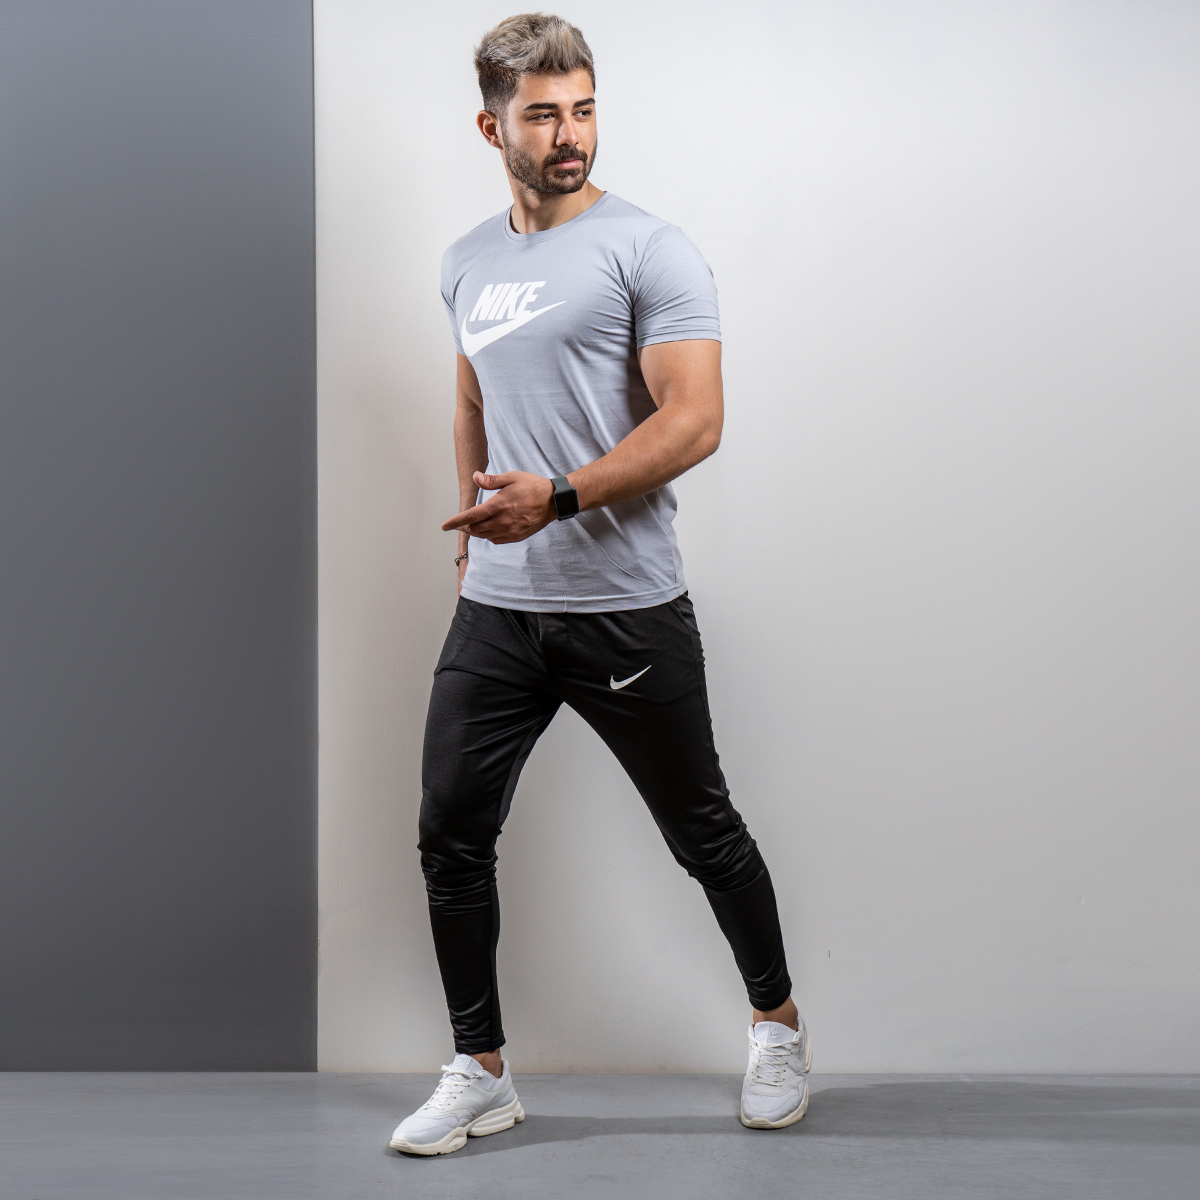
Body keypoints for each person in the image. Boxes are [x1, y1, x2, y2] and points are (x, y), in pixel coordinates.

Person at [389, 13, 811, 1157]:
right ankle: (480, 1071)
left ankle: (777, 1027)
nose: (569, 134)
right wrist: (475, 529)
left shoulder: (650, 250)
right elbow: (473, 394)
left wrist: (561, 498)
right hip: (500, 608)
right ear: (493, 128)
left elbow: (697, 419)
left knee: (703, 831)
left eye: (582, 110)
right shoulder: (465, 260)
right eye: (542, 116)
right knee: (449, 833)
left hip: (624, 605)